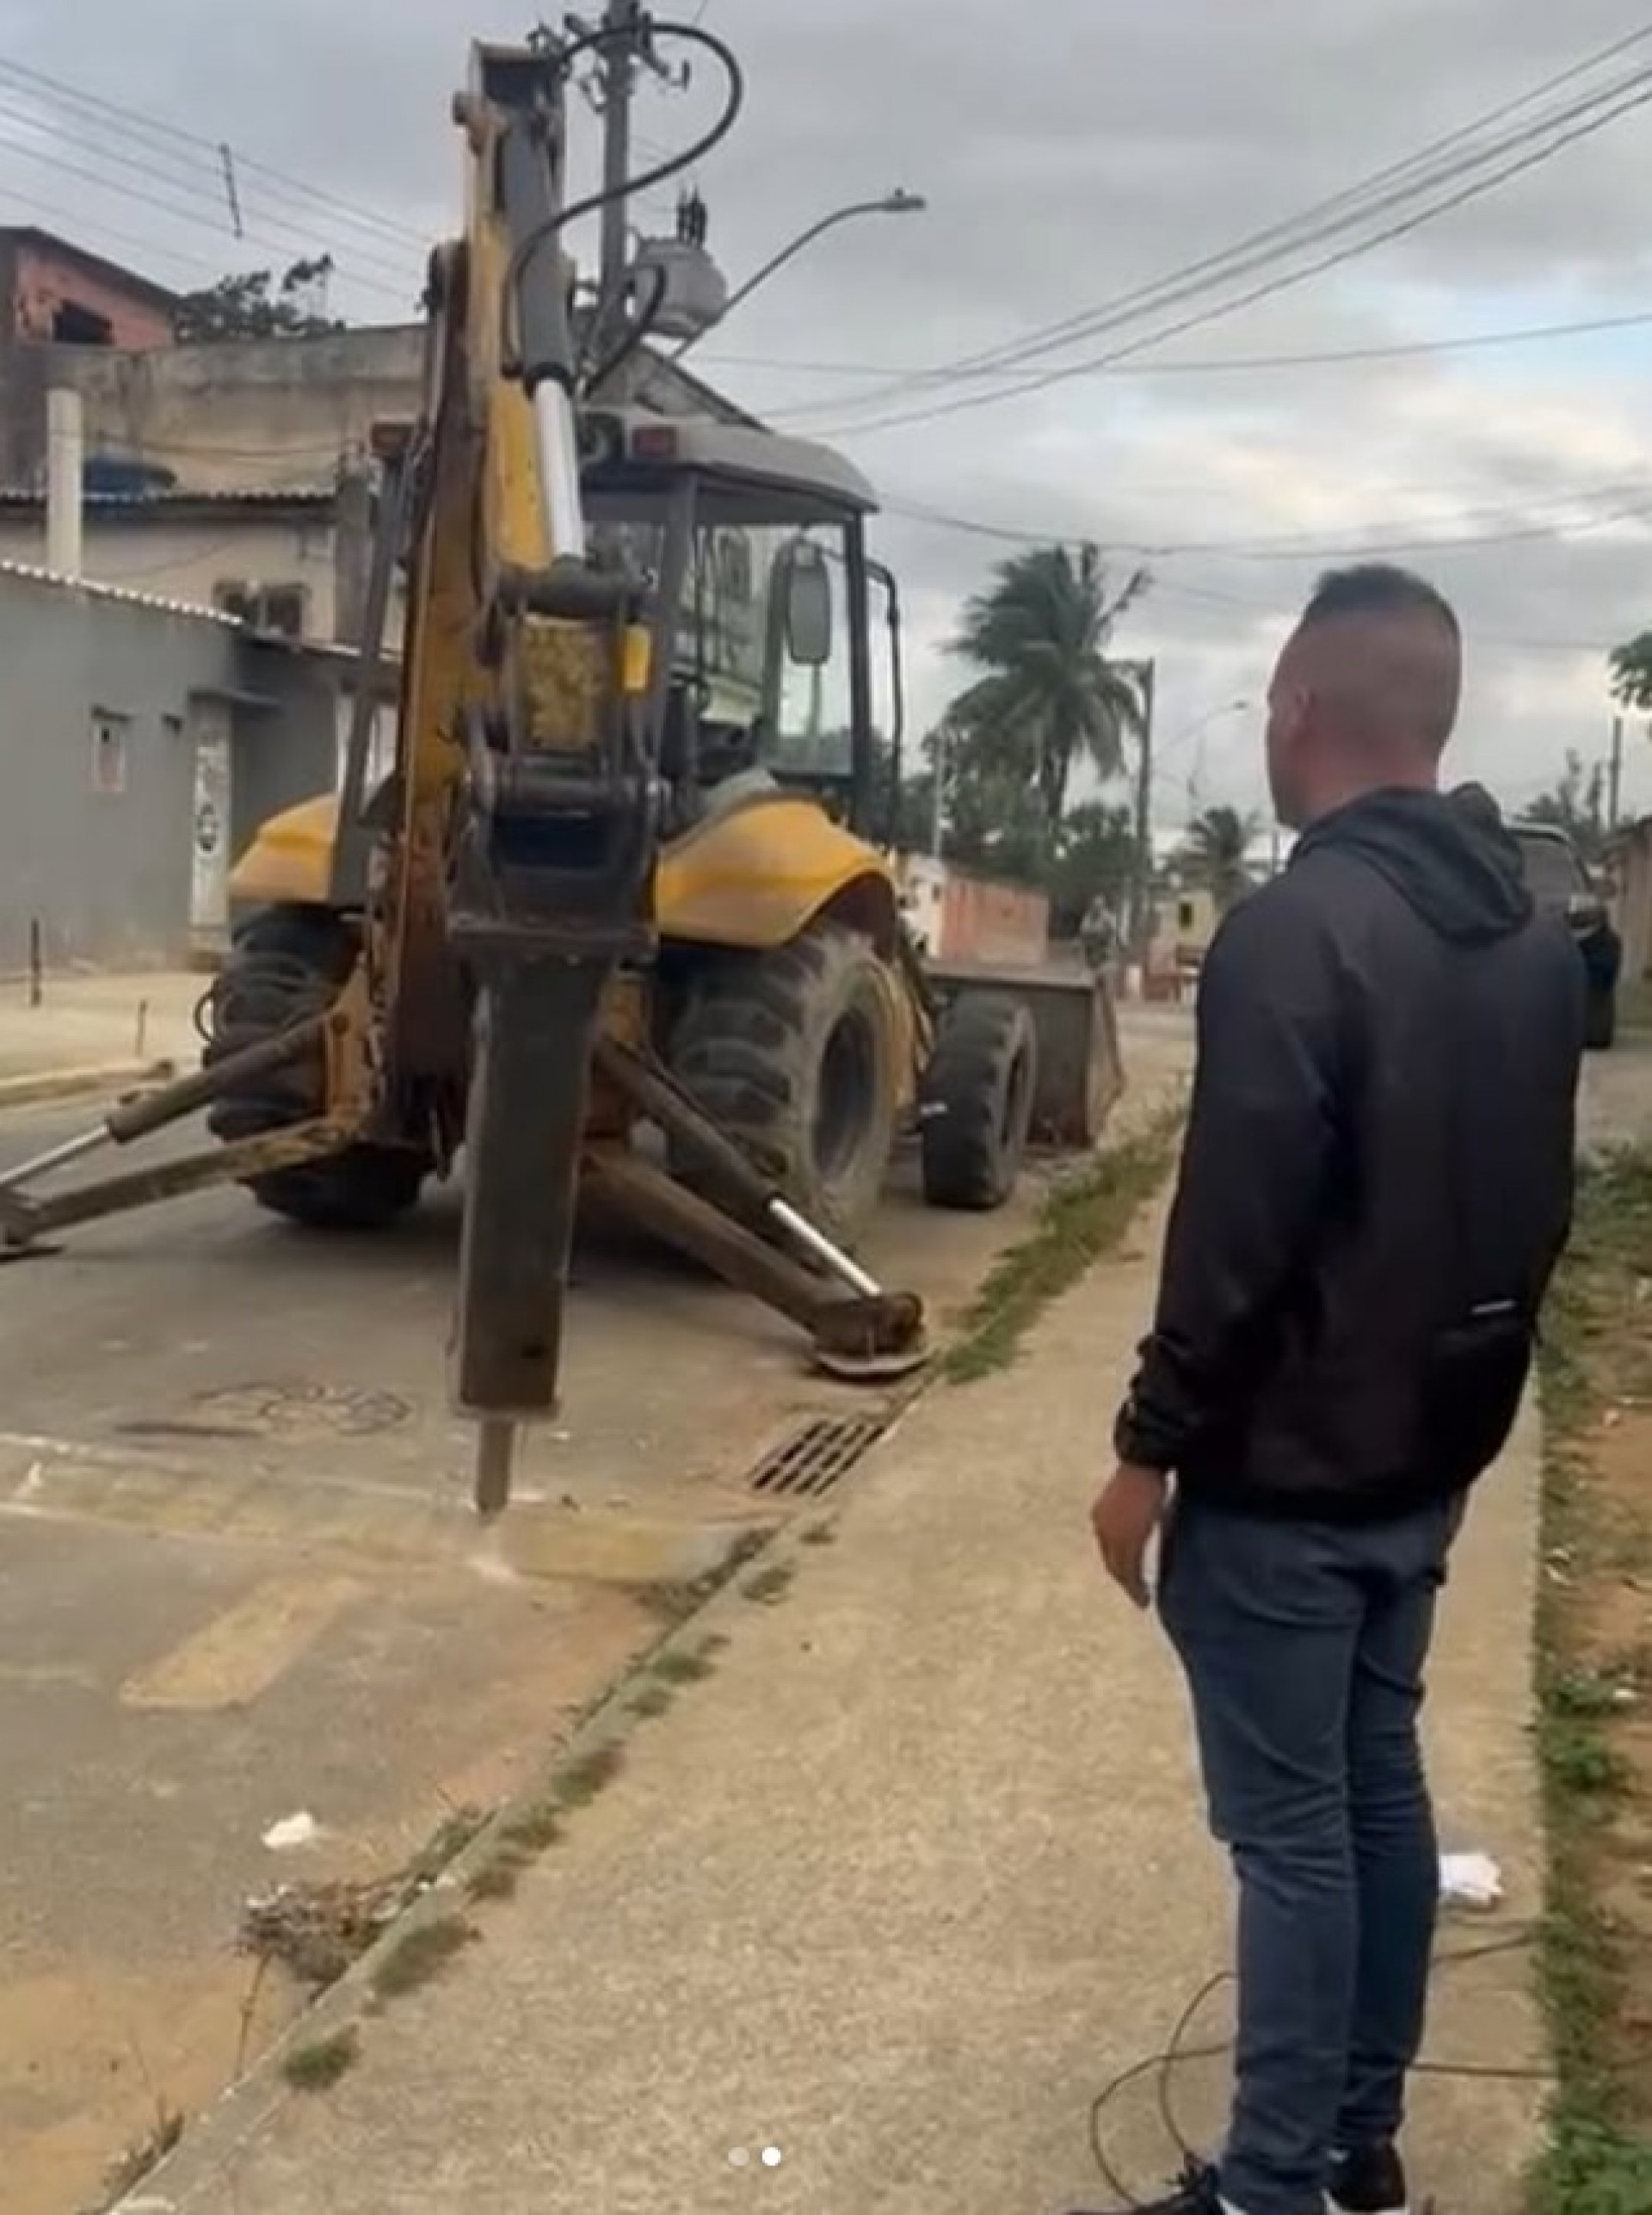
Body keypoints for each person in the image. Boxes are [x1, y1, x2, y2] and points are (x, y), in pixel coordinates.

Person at [1085, 565, 1584, 2215]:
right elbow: (1541, 1200)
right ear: (1432, 722)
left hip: (1287, 1483)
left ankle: (1272, 2188)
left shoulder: (1295, 932)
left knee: (1293, 1837)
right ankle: (1356, 2147)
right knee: (1375, 1782)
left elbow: (1232, 1235)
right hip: (1424, 1468)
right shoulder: (1526, 935)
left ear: (1298, 709)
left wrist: (1148, 1449)